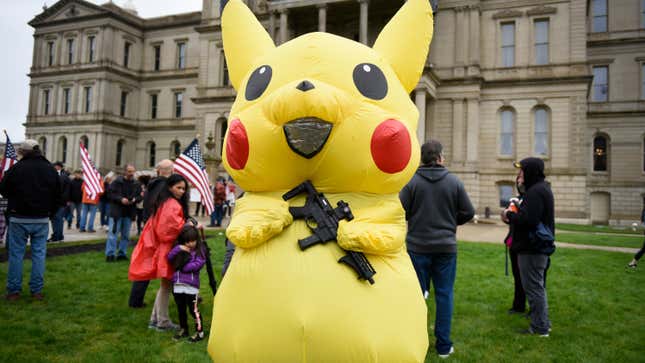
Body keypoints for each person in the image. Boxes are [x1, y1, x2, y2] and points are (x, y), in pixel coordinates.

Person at [399, 139, 474, 358]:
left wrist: (416, 218)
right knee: (444, 295)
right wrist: (451, 223)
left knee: (415, 296)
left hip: (417, 247)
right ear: (440, 157)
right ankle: (443, 346)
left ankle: (415, 342)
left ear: (422, 158)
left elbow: (400, 209)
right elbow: (468, 212)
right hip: (445, 248)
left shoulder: (411, 182)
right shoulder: (454, 182)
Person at [0, 140, 61, 301]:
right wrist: (50, 213)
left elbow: (4, 190)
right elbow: (58, 196)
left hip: (19, 217)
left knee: (16, 255)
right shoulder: (50, 169)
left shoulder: (16, 169)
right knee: (39, 255)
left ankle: (14, 291)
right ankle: (36, 291)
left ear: (24, 152)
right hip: (40, 218)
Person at [128, 174, 190, 331]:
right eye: (179, 187)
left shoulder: (165, 202)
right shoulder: (171, 204)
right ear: (170, 187)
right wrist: (188, 227)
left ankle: (155, 319)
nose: (182, 191)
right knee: (166, 285)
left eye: (184, 188)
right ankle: (162, 321)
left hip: (165, 248)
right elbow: (167, 229)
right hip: (167, 248)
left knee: (166, 285)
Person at [502, 157, 555, 337]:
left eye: (522, 170)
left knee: (534, 288)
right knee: (536, 287)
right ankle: (541, 323)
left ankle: (540, 328)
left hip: (532, 248)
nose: (519, 174)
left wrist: (510, 215)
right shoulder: (539, 189)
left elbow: (528, 220)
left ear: (531, 172)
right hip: (534, 247)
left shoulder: (536, 192)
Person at [128, 159, 174, 308]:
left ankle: (135, 300)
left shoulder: (152, 185)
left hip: (150, 228)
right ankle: (187, 294)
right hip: (160, 230)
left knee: (147, 264)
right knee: (173, 261)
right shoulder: (164, 187)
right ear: (171, 171)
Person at [167, 224, 206, 342]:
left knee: (193, 310)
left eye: (193, 241)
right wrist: (179, 248)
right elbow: (169, 257)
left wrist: (183, 267)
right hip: (178, 286)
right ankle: (184, 329)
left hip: (191, 286)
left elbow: (199, 263)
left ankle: (200, 332)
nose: (190, 244)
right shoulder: (180, 248)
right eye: (187, 241)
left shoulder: (199, 250)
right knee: (181, 309)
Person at [105, 164, 141, 262]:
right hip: (117, 212)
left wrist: (134, 199)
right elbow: (110, 194)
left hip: (129, 212)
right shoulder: (116, 182)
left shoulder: (136, 183)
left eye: (133, 171)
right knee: (113, 234)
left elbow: (140, 196)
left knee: (125, 235)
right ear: (125, 171)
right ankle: (110, 254)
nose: (131, 173)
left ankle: (122, 253)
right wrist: (121, 199)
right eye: (129, 171)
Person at [503, 176, 527, 314]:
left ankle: (535, 309)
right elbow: (509, 219)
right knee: (517, 276)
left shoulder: (530, 199)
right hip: (514, 242)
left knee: (528, 279)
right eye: (517, 181)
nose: (519, 182)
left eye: (521, 180)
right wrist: (505, 214)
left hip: (526, 244)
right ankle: (518, 306)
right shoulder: (516, 199)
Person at [49, 161, 70, 242]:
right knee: (57, 219)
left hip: (59, 202)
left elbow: (62, 191)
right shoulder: (63, 176)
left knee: (56, 219)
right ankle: (59, 236)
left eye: (55, 166)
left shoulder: (62, 177)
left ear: (58, 167)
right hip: (60, 202)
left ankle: (56, 236)